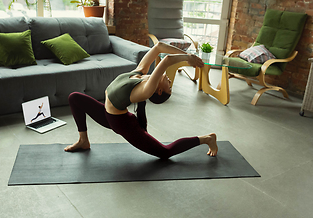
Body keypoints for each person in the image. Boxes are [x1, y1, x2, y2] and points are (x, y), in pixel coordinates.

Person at [64, 42, 218, 159]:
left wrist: (187, 59)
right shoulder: (140, 72)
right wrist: (188, 57)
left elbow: (167, 60)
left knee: (165, 152)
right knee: (74, 98)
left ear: (158, 90)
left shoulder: (146, 90)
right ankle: (83, 140)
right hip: (107, 114)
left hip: (122, 124)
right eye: (171, 85)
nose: (170, 81)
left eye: (169, 86)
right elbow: (158, 47)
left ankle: (206, 139)